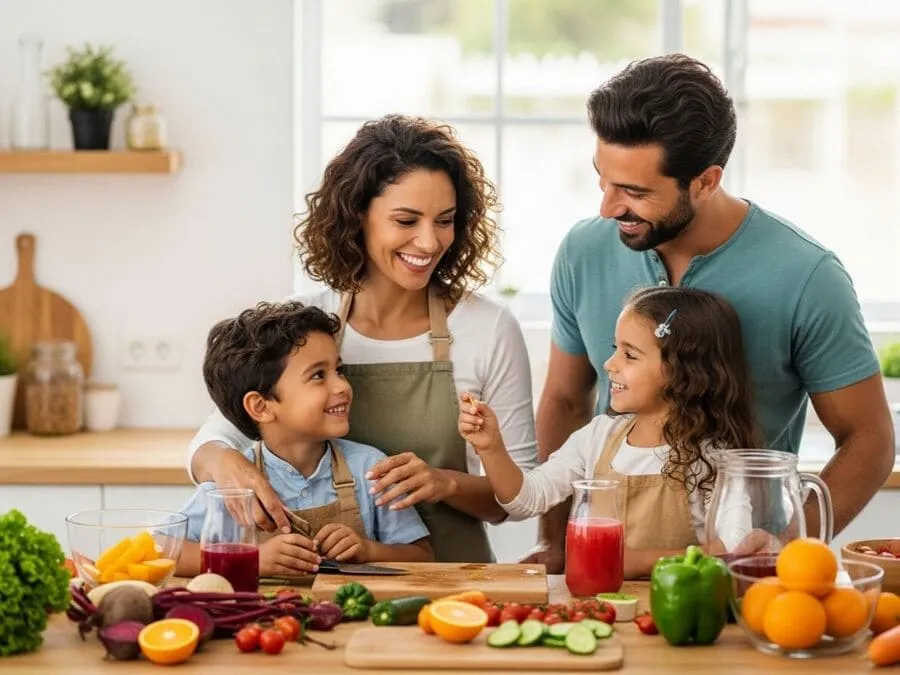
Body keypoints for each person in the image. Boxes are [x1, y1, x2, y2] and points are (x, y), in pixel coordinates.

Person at [526, 53, 895, 574]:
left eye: (634, 191)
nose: (608, 207)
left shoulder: (807, 275)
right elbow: (565, 400)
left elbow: (870, 438)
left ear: (705, 180)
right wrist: (554, 541)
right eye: (603, 179)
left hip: (734, 582)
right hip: (606, 573)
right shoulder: (582, 252)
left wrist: (786, 545)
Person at [186, 115, 537, 563]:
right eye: (406, 220)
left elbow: (520, 496)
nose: (429, 242)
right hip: (326, 590)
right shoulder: (312, 324)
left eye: (445, 220)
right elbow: (213, 439)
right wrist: (224, 464)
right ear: (357, 216)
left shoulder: (487, 327)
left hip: (454, 582)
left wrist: (445, 482)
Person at [461, 286, 764, 578]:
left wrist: (642, 562)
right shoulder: (599, 436)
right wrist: (492, 448)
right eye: (615, 349)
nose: (609, 364)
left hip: (672, 612)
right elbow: (527, 499)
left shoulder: (713, 457)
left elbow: (736, 551)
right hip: (596, 605)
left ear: (684, 370)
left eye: (630, 356)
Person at [176, 301, 433, 579]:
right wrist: (253, 559)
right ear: (261, 407)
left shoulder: (371, 469)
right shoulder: (234, 485)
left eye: (339, 370)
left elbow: (423, 557)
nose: (342, 386)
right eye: (318, 375)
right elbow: (160, 550)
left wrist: (368, 551)